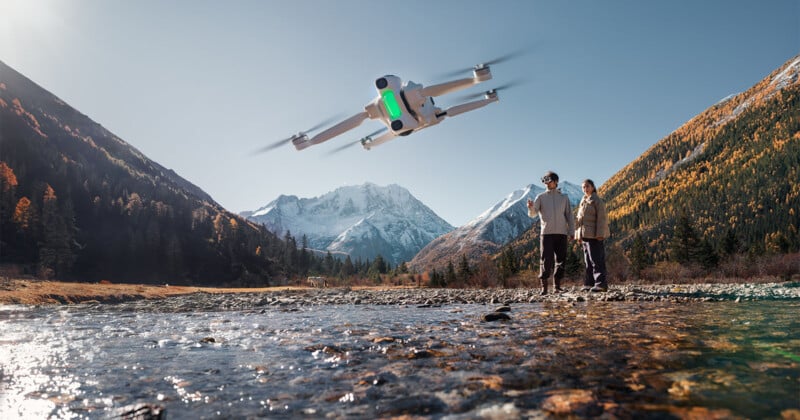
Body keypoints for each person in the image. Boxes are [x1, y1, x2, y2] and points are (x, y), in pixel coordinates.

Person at [527, 171, 574, 295]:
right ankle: (544, 288)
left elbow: (569, 215)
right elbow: (533, 214)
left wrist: (572, 231)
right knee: (546, 260)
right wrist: (530, 207)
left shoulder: (564, 198)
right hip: (546, 233)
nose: (546, 183)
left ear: (556, 181)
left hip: (562, 233)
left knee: (561, 260)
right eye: (545, 181)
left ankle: (557, 287)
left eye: (549, 180)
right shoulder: (541, 197)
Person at [575, 179, 610, 292]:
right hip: (585, 235)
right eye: (583, 187)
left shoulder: (597, 201)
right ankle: (589, 283)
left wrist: (600, 234)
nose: (585, 189)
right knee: (588, 261)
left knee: (596, 260)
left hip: (594, 236)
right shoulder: (583, 201)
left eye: (587, 186)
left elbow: (602, 219)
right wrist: (578, 236)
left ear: (593, 187)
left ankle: (601, 284)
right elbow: (579, 220)